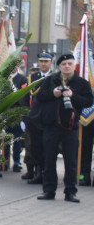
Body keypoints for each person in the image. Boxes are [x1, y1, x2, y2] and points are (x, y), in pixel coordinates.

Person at [34, 53, 93, 202]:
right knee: (49, 160)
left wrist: (72, 95)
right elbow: (39, 96)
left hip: (70, 127)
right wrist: (53, 94)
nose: (67, 67)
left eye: (69, 64)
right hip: (51, 126)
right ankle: (49, 190)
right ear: (59, 66)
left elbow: (88, 102)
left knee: (71, 161)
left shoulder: (81, 83)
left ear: (74, 65)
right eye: (64, 64)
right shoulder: (50, 80)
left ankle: (70, 191)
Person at [23, 52, 55, 183]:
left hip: (49, 118)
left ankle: (46, 173)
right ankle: (37, 172)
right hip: (35, 117)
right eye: (41, 61)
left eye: (46, 61)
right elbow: (30, 94)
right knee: (34, 146)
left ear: (51, 63)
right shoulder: (33, 77)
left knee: (47, 147)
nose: (43, 64)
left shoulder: (55, 77)